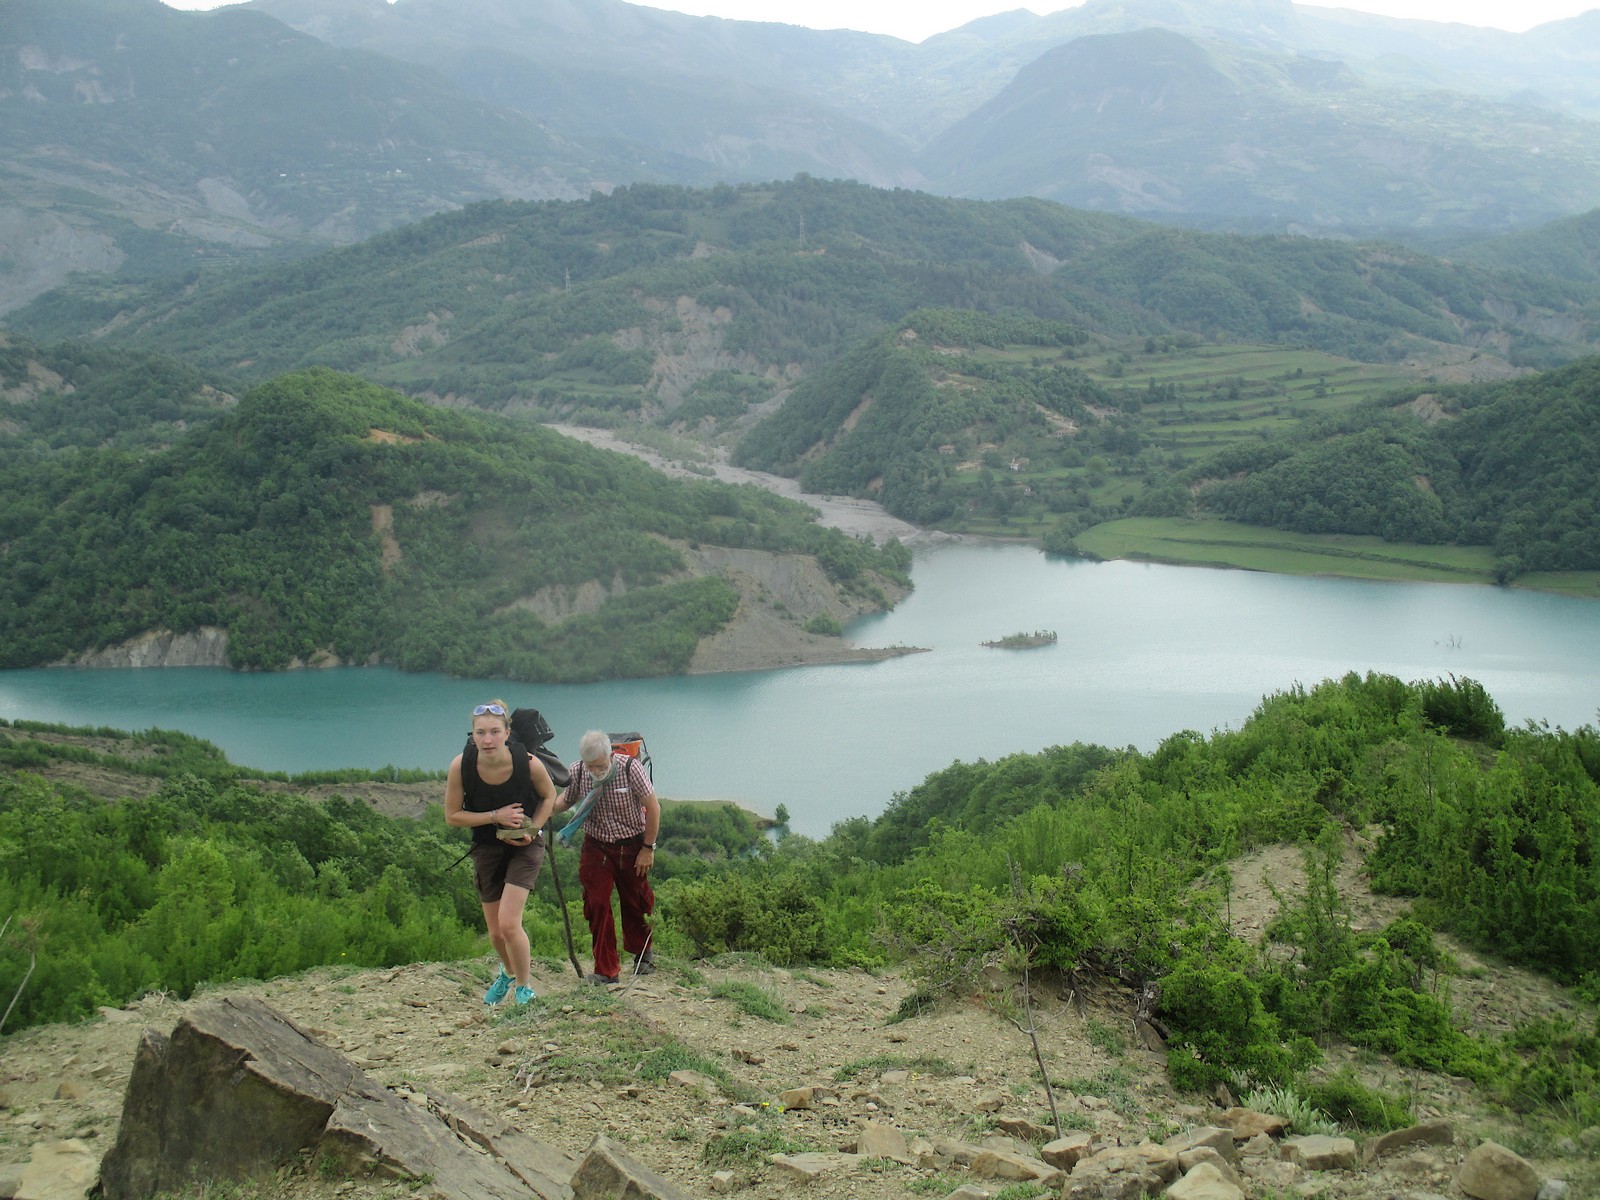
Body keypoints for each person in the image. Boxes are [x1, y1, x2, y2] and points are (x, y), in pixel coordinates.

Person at [444, 700, 557, 1006]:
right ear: (473, 735)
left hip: (525, 845)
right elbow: (452, 816)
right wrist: (496, 815)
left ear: (508, 733)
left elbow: (549, 797)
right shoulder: (462, 765)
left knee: (509, 923)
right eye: (481, 732)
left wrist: (533, 830)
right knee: (495, 932)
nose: (488, 739)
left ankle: (524, 988)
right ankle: (507, 973)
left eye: (495, 731)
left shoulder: (528, 763)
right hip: (487, 845)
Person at [554, 729, 660, 985]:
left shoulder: (629, 769)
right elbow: (564, 802)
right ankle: (606, 970)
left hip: (632, 844)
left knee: (635, 900)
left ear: (610, 756)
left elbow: (654, 808)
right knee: (596, 903)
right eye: (591, 766)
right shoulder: (578, 771)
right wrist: (539, 809)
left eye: (600, 765)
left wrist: (647, 849)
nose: (596, 771)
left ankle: (643, 953)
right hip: (596, 845)